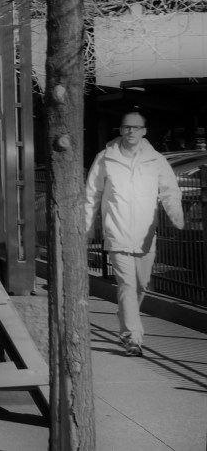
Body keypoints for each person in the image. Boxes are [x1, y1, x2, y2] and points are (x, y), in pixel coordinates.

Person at [83, 111, 184, 357]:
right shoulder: (105, 158)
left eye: (136, 127)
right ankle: (132, 337)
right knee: (127, 284)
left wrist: (176, 215)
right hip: (117, 232)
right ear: (120, 130)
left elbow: (170, 190)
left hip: (145, 236)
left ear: (144, 132)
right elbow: (91, 195)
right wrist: (85, 229)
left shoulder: (156, 160)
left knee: (141, 285)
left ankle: (126, 315)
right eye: (127, 127)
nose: (131, 131)